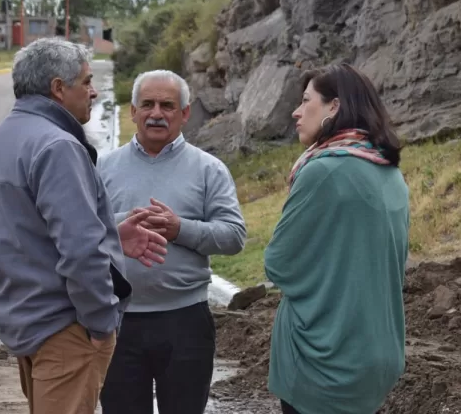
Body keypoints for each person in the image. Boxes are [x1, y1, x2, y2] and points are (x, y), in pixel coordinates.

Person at [0, 37, 169, 414]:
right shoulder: (57, 146)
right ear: (58, 89)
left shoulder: (1, 140)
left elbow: (29, 231)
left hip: (27, 321)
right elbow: (80, 252)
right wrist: (100, 325)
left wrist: (111, 232)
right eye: (86, 81)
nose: (94, 92)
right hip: (65, 328)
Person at [97, 69, 247, 414]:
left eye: (167, 105)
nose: (156, 113)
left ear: (184, 113)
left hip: (186, 323)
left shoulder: (209, 169)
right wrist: (122, 226)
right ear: (132, 112)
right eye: (147, 104)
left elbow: (234, 236)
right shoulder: (102, 168)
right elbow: (83, 234)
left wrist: (179, 228)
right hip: (118, 322)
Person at [264, 63, 409, 414]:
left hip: (323, 357)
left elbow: (277, 263)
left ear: (334, 106)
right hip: (377, 355)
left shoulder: (323, 171)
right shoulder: (390, 172)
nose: (296, 112)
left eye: (305, 100)